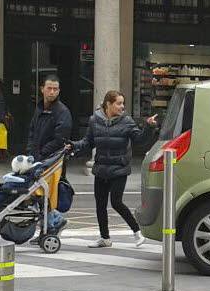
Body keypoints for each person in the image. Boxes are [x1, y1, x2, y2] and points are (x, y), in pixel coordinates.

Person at [68, 90, 158, 249]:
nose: (122, 106)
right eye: (119, 103)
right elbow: (87, 142)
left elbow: (140, 140)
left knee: (116, 202)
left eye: (123, 103)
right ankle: (105, 238)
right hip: (101, 167)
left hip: (119, 168)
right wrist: (73, 145)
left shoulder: (127, 122)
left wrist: (149, 127)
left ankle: (137, 232)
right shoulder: (95, 120)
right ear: (108, 104)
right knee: (100, 204)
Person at [26, 74, 72, 228]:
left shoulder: (62, 112)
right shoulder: (39, 109)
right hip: (37, 160)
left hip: (53, 162)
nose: (52, 92)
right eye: (49, 88)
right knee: (37, 195)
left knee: (46, 196)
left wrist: (41, 154)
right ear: (42, 89)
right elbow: (32, 132)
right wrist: (31, 154)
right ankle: (50, 226)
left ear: (59, 91)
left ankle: (53, 225)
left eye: (55, 89)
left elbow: (60, 139)